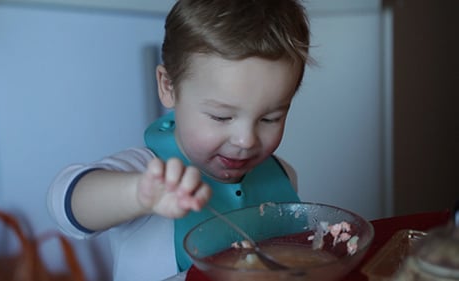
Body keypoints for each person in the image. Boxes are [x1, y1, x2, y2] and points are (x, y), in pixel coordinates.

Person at [47, 0, 312, 280]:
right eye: (221, 117)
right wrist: (138, 194)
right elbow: (65, 201)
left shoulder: (283, 176)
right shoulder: (148, 171)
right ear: (168, 87)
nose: (246, 140)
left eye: (270, 118)